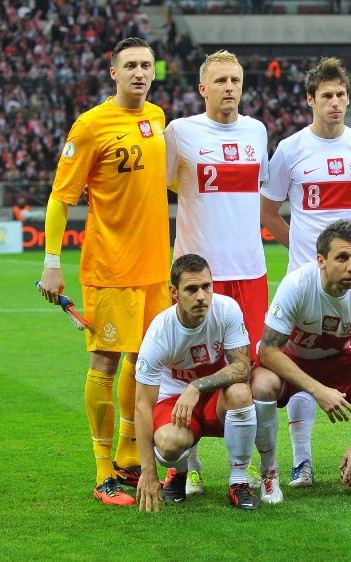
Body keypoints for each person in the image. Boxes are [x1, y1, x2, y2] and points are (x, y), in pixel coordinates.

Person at [38, 37, 171, 506]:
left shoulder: (157, 119)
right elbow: (60, 196)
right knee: (106, 360)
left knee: (144, 359)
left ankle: (130, 457)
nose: (139, 72)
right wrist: (52, 262)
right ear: (113, 73)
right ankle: (102, 474)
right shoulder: (91, 126)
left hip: (156, 270)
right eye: (130, 65)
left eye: (146, 65)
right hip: (110, 268)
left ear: (155, 72)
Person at [261, 57, 351, 488]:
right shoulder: (291, 149)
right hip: (306, 280)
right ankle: (302, 461)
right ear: (310, 101)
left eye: (341, 95)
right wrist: (303, 251)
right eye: (326, 96)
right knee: (303, 362)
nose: (335, 103)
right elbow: (270, 211)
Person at [165, 49, 270, 495]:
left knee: (247, 374)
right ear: (203, 88)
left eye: (236, 80)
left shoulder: (257, 131)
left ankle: (257, 473)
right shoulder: (181, 132)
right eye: (221, 81)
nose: (230, 88)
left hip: (250, 270)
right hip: (198, 272)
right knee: (187, 367)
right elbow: (165, 187)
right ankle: (187, 467)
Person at [251, 220, 351, 502]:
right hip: (292, 359)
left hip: (335, 361)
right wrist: (318, 390)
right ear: (321, 260)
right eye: (342, 257)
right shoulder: (296, 285)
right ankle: (269, 471)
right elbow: (268, 351)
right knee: (262, 386)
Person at [135, 254, 260, 512]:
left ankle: (239, 482)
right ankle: (179, 474)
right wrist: (147, 472)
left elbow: (242, 367)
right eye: (191, 289)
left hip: (213, 399)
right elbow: (141, 406)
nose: (201, 296)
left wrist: (196, 386)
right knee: (169, 442)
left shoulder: (226, 309)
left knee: (240, 392)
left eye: (206, 286)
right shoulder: (159, 333)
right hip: (174, 404)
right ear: (174, 292)